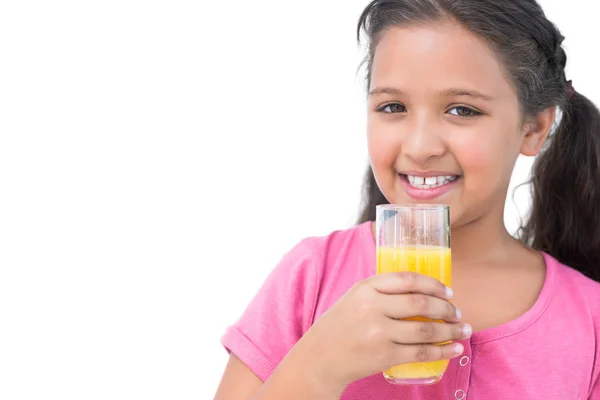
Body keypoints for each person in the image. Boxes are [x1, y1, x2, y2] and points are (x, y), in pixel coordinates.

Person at [214, 0, 600, 398]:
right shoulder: (312, 276)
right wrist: (317, 366)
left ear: (534, 129)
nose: (419, 147)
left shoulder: (590, 321)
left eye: (462, 110)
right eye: (393, 106)